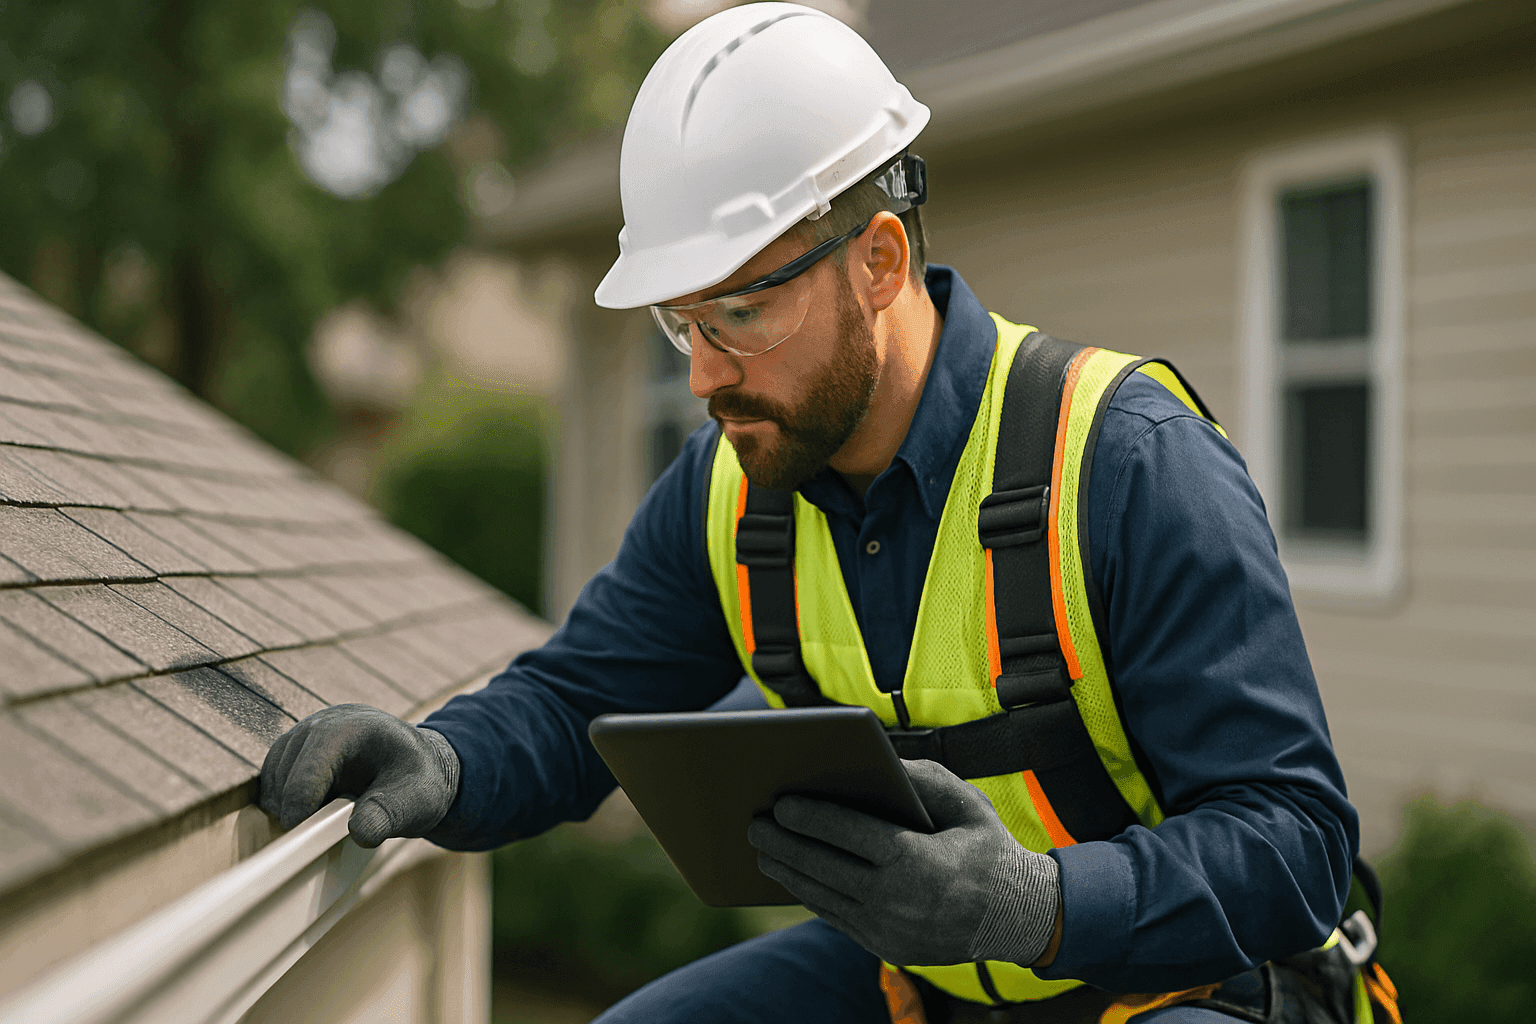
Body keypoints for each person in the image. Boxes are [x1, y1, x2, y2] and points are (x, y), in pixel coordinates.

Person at [259, 5, 1366, 1022]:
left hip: (1191, 986)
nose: (703, 377)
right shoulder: (730, 491)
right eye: (681, 324)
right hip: (925, 982)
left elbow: (1296, 843)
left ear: (878, 262)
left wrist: (1035, 903)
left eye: (741, 312)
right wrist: (445, 762)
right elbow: (573, 702)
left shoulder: (1126, 462)